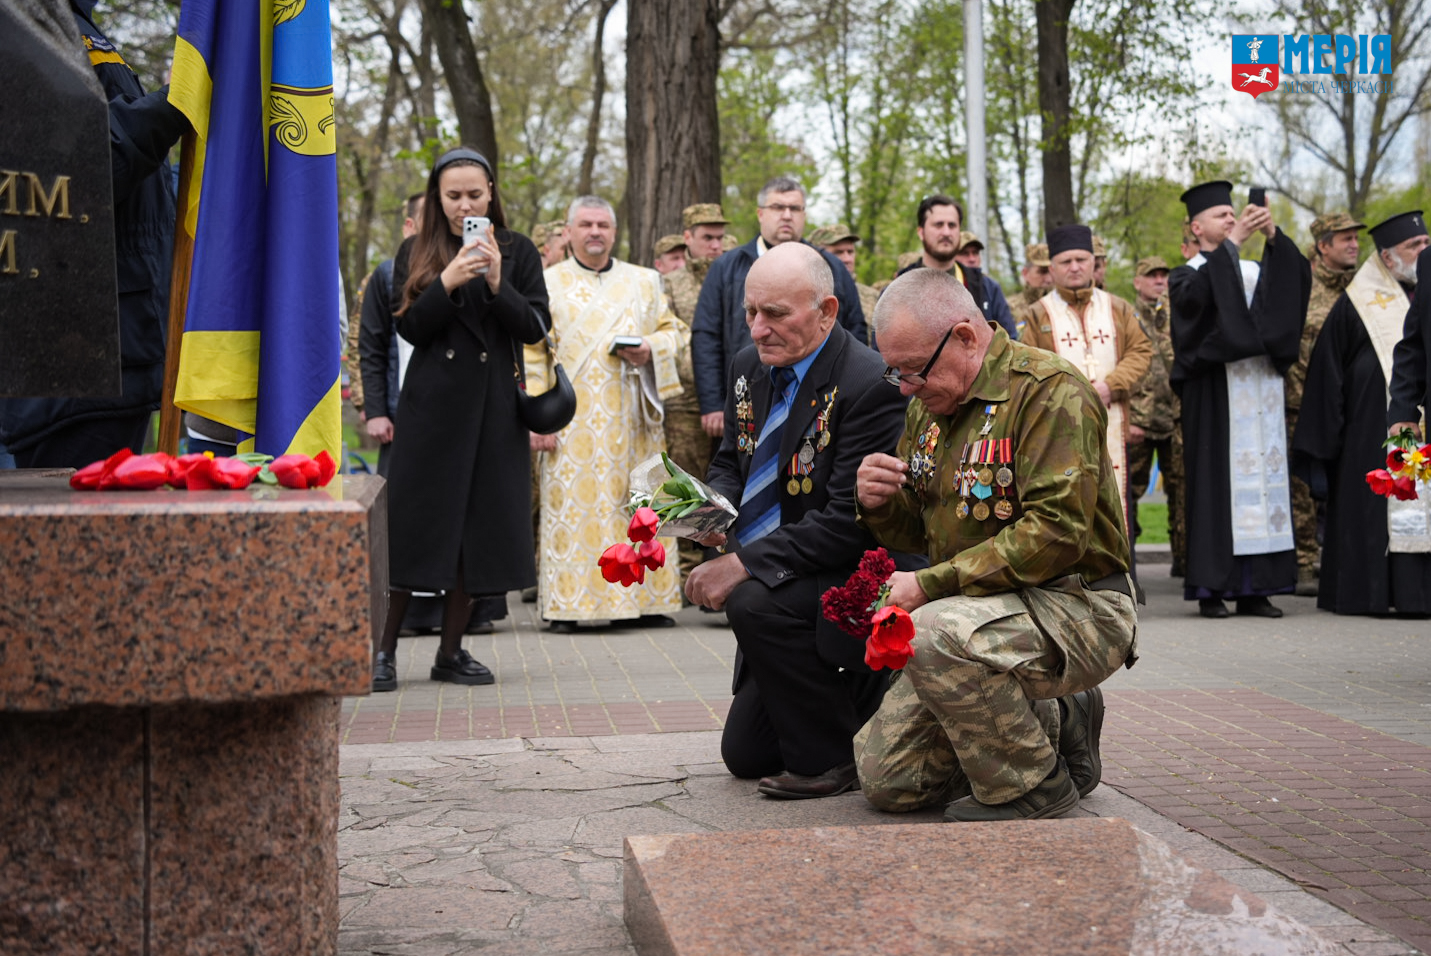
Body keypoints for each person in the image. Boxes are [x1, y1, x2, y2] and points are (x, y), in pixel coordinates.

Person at [852, 267, 1137, 821]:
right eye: (896, 375)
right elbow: (923, 532)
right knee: (890, 782)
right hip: (982, 614)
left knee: (932, 633)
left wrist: (929, 586)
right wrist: (879, 503)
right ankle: (1056, 720)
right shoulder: (929, 407)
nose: (907, 388)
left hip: (1077, 604)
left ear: (964, 336)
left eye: (914, 371)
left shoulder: (1050, 393)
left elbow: (1056, 533)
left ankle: (1032, 788)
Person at [684, 242, 913, 797]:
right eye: (750, 312)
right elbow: (732, 463)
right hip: (788, 572)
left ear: (827, 312)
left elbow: (845, 523)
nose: (758, 329)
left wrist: (741, 565)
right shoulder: (749, 365)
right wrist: (699, 512)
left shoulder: (869, 384)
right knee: (746, 756)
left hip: (854, 573)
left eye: (776, 315)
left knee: (750, 600)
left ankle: (834, 758)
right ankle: (853, 701)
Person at [371, 146, 551, 692]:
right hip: (432, 411)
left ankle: (451, 652)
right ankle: (382, 653)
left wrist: (499, 282)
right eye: (453, 196)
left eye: (475, 194)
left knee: (478, 535)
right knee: (414, 532)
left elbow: (536, 326)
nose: (464, 205)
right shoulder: (416, 249)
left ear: (492, 193)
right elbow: (409, 330)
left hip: (495, 411)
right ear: (437, 196)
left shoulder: (517, 250)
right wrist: (446, 280)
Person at [1, 1, 187, 467]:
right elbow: (72, 170)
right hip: (66, 377)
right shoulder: (20, 17)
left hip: (124, 351)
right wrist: (179, 103)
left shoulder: (72, 20)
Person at [531, 195, 686, 632]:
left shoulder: (646, 281)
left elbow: (674, 331)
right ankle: (570, 605)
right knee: (574, 510)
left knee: (639, 504)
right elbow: (533, 353)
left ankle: (647, 601)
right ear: (569, 231)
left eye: (603, 224)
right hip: (571, 421)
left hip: (634, 418)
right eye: (586, 224)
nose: (595, 231)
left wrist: (650, 349)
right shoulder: (546, 283)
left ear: (614, 232)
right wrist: (539, 420)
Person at [1168, 180, 1309, 619]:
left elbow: (1294, 285)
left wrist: (1273, 237)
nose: (1231, 218)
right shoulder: (1185, 273)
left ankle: (1257, 588)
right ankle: (1212, 588)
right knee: (1215, 487)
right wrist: (1232, 244)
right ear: (1196, 226)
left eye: (1233, 213)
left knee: (1264, 485)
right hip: (1214, 391)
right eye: (1220, 215)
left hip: (1260, 389)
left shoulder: (1251, 268)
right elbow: (1195, 314)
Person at [1293, 211, 1431, 615]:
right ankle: (1369, 594)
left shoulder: (1420, 290)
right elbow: (1327, 373)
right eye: (1414, 247)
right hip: (1370, 430)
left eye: (1426, 244)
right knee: (1375, 512)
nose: (1424, 252)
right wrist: (1327, 443)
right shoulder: (1357, 303)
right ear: (1387, 258)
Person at [692, 176, 867, 444]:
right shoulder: (726, 267)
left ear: (804, 215)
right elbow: (706, 336)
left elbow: (855, 329)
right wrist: (712, 403)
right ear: (760, 213)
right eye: (777, 207)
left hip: (818, 402)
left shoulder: (830, 267)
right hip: (745, 398)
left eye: (795, 208)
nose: (787, 215)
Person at [1018, 224, 1153, 525]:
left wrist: (1111, 385)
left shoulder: (1119, 308)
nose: (1075, 267)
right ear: (1051, 269)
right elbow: (1026, 366)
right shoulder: (1036, 315)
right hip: (1059, 427)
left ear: (1094, 262)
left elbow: (1142, 350)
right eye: (1066, 262)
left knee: (1118, 508)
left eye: (1082, 259)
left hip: (1114, 420)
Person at [1287, 212, 1364, 596]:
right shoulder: (1302, 286)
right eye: (1345, 238)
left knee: (1347, 485)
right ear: (1323, 245)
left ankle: (1340, 559)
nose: (1354, 244)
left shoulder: (1367, 287)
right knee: (1302, 488)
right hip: (1302, 401)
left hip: (1353, 408)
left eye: (1355, 238)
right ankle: (1304, 563)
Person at [663, 203, 731, 580]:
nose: (715, 245)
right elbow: (674, 342)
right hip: (686, 403)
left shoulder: (734, 274)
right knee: (689, 483)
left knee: (724, 482)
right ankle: (687, 566)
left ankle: (719, 561)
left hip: (730, 398)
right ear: (688, 238)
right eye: (707, 237)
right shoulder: (671, 284)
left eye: (719, 237)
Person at [346, 193, 424, 478]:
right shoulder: (385, 276)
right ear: (409, 225)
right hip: (398, 411)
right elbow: (367, 346)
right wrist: (373, 408)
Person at [1126, 256, 1187, 575]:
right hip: (1140, 420)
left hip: (1174, 417)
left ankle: (1184, 560)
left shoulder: (1176, 315)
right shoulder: (1127, 317)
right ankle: (1129, 563)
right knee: (1130, 493)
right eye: (1152, 276)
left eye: (1164, 275)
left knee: (1180, 489)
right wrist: (1130, 419)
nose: (1159, 281)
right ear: (1138, 282)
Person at [895, 196, 1016, 337]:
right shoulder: (898, 290)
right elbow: (882, 352)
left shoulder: (987, 289)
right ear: (921, 232)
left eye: (952, 225)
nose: (946, 232)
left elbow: (1011, 345)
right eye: (938, 225)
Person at [810, 223, 881, 334]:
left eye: (850, 252)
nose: (847, 259)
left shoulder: (874, 297)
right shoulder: (809, 298)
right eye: (838, 253)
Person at [1009, 242, 1053, 336]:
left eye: (1051, 272)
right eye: (1042, 272)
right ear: (1025, 273)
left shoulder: (1061, 306)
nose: (1049, 279)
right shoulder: (1010, 308)